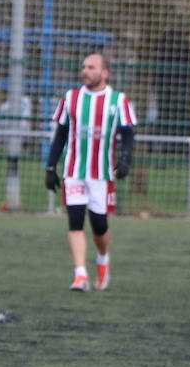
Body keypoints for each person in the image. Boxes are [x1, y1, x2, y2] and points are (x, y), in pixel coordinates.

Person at [44, 53, 136, 291]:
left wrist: (126, 159)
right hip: (74, 171)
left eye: (91, 67)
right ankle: (80, 275)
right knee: (75, 222)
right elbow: (61, 134)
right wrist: (51, 166)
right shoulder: (71, 98)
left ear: (105, 72)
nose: (85, 71)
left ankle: (103, 259)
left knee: (99, 225)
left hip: (101, 174)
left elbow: (128, 134)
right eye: (83, 66)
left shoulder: (118, 100)